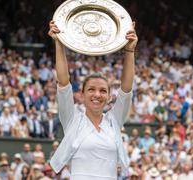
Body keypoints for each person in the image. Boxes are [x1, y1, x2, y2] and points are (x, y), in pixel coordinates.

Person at [48, 20, 137, 179]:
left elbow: (126, 89)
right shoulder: (72, 119)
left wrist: (130, 51)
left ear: (109, 97)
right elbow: (63, 82)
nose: (97, 94)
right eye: (91, 90)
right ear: (81, 95)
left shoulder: (114, 121)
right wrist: (58, 43)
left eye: (103, 91)